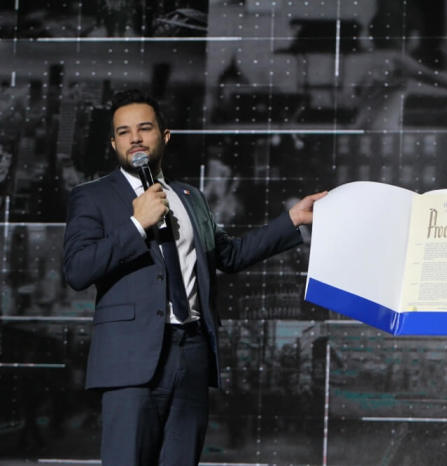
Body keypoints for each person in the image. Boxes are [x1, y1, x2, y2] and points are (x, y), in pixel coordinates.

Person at [62, 89, 326, 465]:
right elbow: (77, 269)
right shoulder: (92, 197)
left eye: (144, 128)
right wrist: (137, 223)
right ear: (113, 142)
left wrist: (292, 221)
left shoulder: (190, 197)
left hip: (191, 354)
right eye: (123, 132)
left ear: (164, 136)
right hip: (130, 362)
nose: (134, 137)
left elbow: (229, 256)